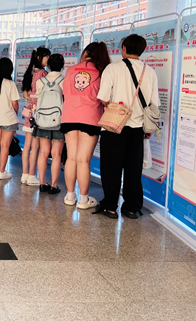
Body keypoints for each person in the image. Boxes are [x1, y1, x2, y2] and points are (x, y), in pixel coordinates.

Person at [95, 34, 159, 219]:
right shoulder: (150, 72)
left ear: (123, 48)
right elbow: (154, 104)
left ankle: (110, 207)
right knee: (133, 170)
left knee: (111, 168)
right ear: (142, 50)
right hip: (138, 128)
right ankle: (132, 208)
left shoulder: (112, 68)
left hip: (113, 127)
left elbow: (103, 98)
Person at [61, 42, 111, 209]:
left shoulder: (70, 70)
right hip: (90, 118)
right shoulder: (102, 71)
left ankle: (69, 196)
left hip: (69, 116)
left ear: (85, 53)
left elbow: (65, 92)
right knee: (83, 160)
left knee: (71, 158)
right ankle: (83, 200)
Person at [33, 54, 65, 194]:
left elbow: (37, 98)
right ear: (63, 66)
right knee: (56, 154)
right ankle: (53, 185)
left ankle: (42, 183)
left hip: (42, 120)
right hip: (59, 120)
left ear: (49, 66)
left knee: (43, 152)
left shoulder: (41, 81)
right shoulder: (64, 80)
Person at [21, 47, 51, 186]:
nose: (48, 59)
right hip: (39, 111)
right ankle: (32, 175)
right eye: (46, 56)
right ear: (39, 57)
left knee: (27, 145)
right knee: (35, 146)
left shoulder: (29, 72)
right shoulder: (44, 73)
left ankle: (24, 174)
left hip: (29, 111)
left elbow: (25, 94)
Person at [0, 57, 20, 180]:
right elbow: (15, 103)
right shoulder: (10, 84)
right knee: (5, 145)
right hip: (8, 119)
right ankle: (2, 171)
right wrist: (15, 114)